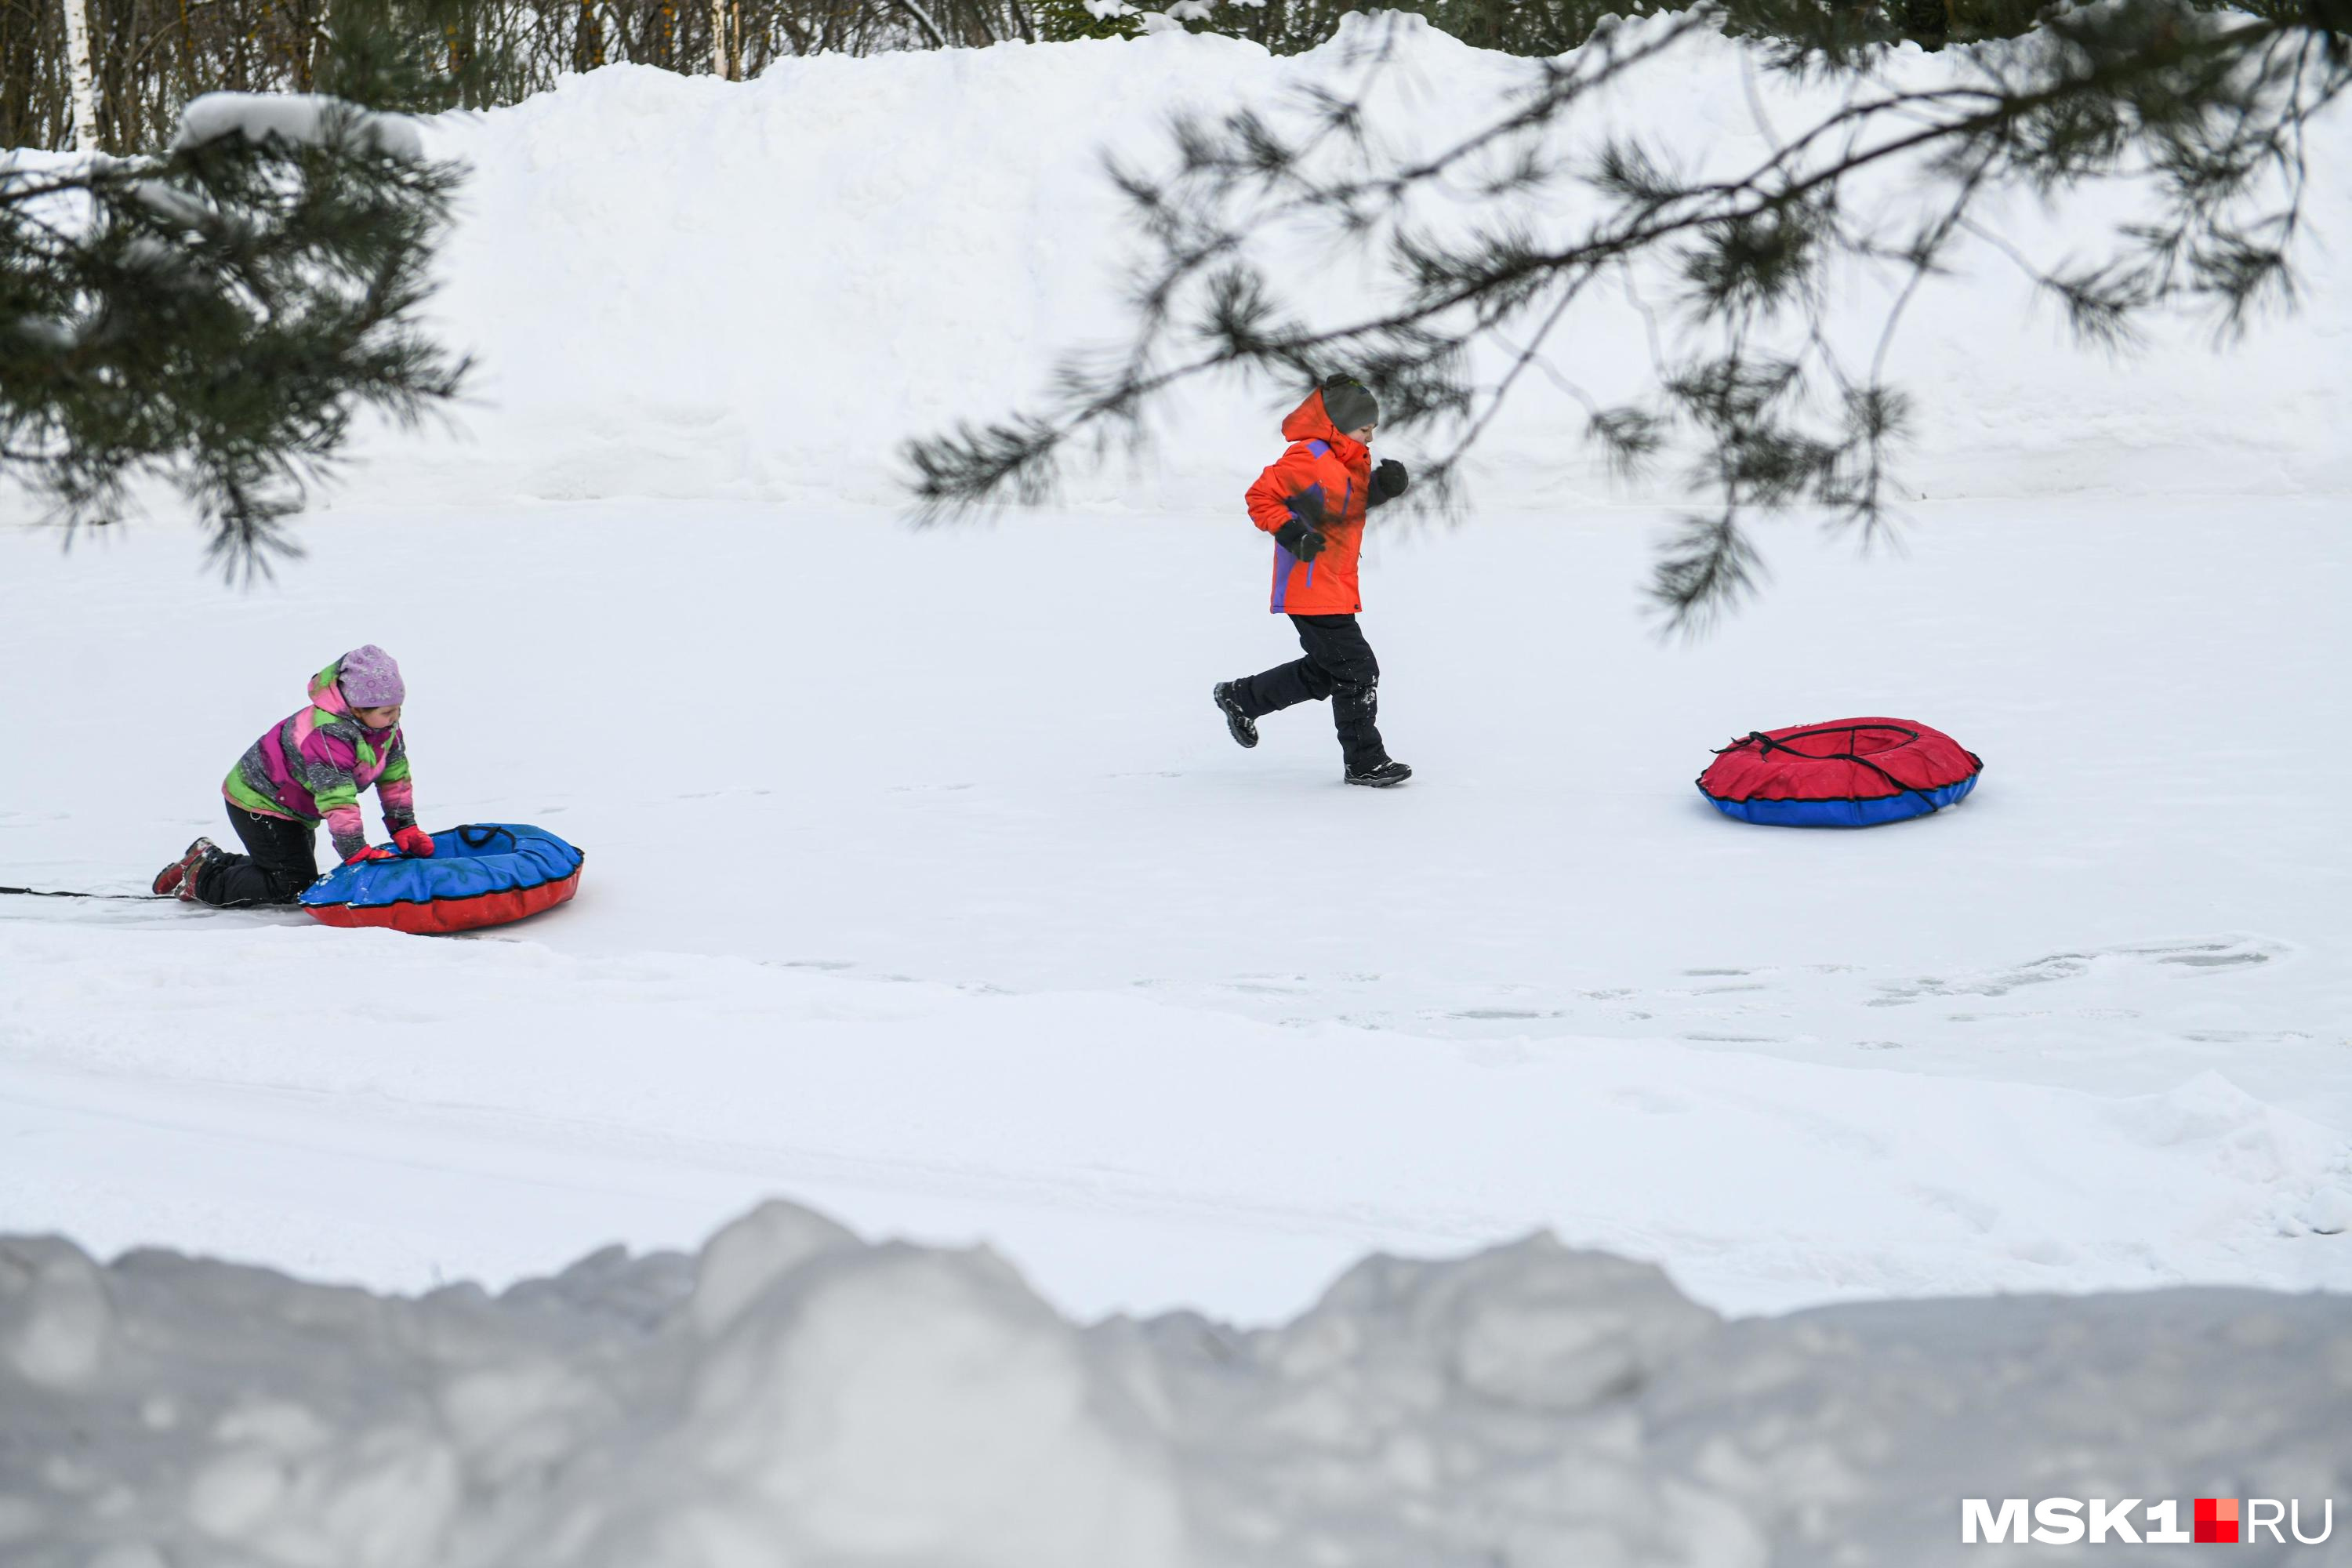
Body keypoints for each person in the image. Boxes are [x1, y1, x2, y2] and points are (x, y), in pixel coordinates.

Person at [1212, 375, 1414, 786]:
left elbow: (1344, 507)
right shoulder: (1307, 457)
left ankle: (1243, 696)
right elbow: (1259, 497)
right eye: (1364, 428)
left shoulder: (1344, 459)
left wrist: (1381, 488)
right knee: (1359, 671)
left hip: (1334, 583)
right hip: (1310, 586)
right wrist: (1290, 532)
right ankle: (1364, 761)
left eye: (1373, 429)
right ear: (1338, 424)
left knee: (1334, 670)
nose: (1371, 437)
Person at [151, 645, 433, 906]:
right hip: (261, 801)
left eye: (398, 709)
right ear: (358, 708)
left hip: (293, 805)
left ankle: (207, 858)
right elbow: (337, 798)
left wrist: (403, 826)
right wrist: (354, 851)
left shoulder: (383, 729)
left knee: (285, 867)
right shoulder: (329, 734)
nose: (395, 717)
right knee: (292, 884)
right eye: (387, 712)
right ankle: (200, 880)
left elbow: (395, 778)